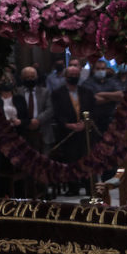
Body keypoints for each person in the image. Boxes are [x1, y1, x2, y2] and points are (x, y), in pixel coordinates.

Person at [50, 64, 98, 195]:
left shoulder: (86, 92)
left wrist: (85, 123)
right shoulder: (57, 93)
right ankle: (73, 188)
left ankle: (90, 188)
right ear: (66, 77)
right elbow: (56, 112)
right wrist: (68, 125)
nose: (74, 77)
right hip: (68, 133)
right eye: (71, 75)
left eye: (76, 75)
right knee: (71, 160)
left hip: (85, 133)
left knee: (88, 159)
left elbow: (93, 110)